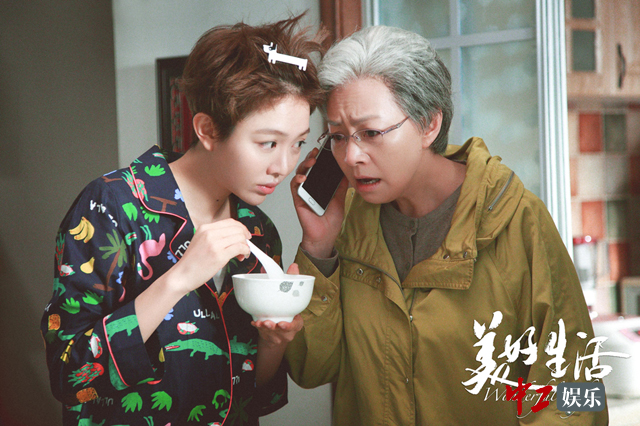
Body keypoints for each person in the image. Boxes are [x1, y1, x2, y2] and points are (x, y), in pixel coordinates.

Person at [286, 25, 608, 425]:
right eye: (338, 136)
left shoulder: (516, 220)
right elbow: (311, 369)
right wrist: (318, 248)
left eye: (371, 133)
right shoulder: (346, 222)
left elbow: (577, 392)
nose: (351, 156)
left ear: (429, 125)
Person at [41, 15, 325, 425]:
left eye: (297, 143)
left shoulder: (259, 232)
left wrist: (272, 343)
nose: (283, 165)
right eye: (268, 143)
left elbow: (251, 397)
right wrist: (179, 279)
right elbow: (69, 375)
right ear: (207, 129)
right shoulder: (110, 206)